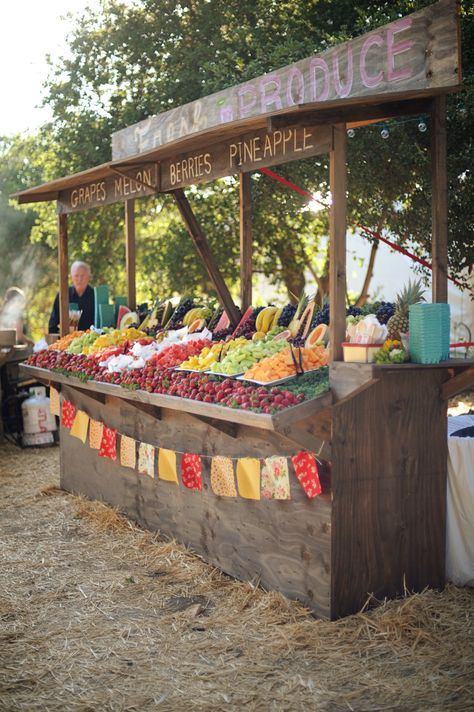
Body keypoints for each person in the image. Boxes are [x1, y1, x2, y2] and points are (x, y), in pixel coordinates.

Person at [48, 261, 95, 333]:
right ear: (71, 277)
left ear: (89, 277)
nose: (80, 279)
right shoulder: (62, 296)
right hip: (67, 340)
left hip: (92, 341)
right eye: (76, 276)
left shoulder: (95, 296)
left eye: (83, 276)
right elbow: (53, 325)